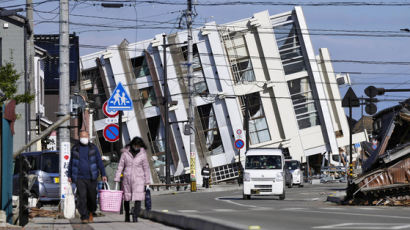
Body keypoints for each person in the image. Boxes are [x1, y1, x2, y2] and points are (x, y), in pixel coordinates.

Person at [68, 130, 107, 224]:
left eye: (85, 136)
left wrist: (103, 174)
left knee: (92, 197)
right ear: (79, 137)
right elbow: (71, 162)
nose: (84, 138)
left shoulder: (93, 148)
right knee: (82, 197)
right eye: (82, 136)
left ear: (88, 137)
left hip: (92, 177)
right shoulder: (75, 148)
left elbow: (99, 162)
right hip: (79, 177)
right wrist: (69, 175)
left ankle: (91, 212)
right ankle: (84, 216)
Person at [114, 137, 151, 222]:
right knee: (126, 198)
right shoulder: (125, 154)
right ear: (132, 144)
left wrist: (147, 181)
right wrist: (117, 178)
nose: (137, 147)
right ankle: (127, 215)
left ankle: (135, 216)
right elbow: (120, 166)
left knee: (138, 198)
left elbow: (146, 168)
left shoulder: (143, 154)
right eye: (136, 145)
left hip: (139, 179)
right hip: (127, 179)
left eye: (139, 145)